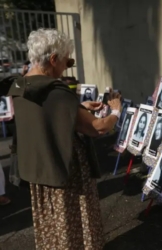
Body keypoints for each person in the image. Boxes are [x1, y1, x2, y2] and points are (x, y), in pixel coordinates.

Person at [6, 28, 123, 249]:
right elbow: (97, 128)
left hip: (38, 168)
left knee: (51, 221)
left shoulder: (20, 85)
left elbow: (43, 113)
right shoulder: (56, 91)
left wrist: (77, 108)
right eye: (67, 61)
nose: (66, 67)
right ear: (52, 59)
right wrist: (116, 112)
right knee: (74, 217)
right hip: (65, 167)